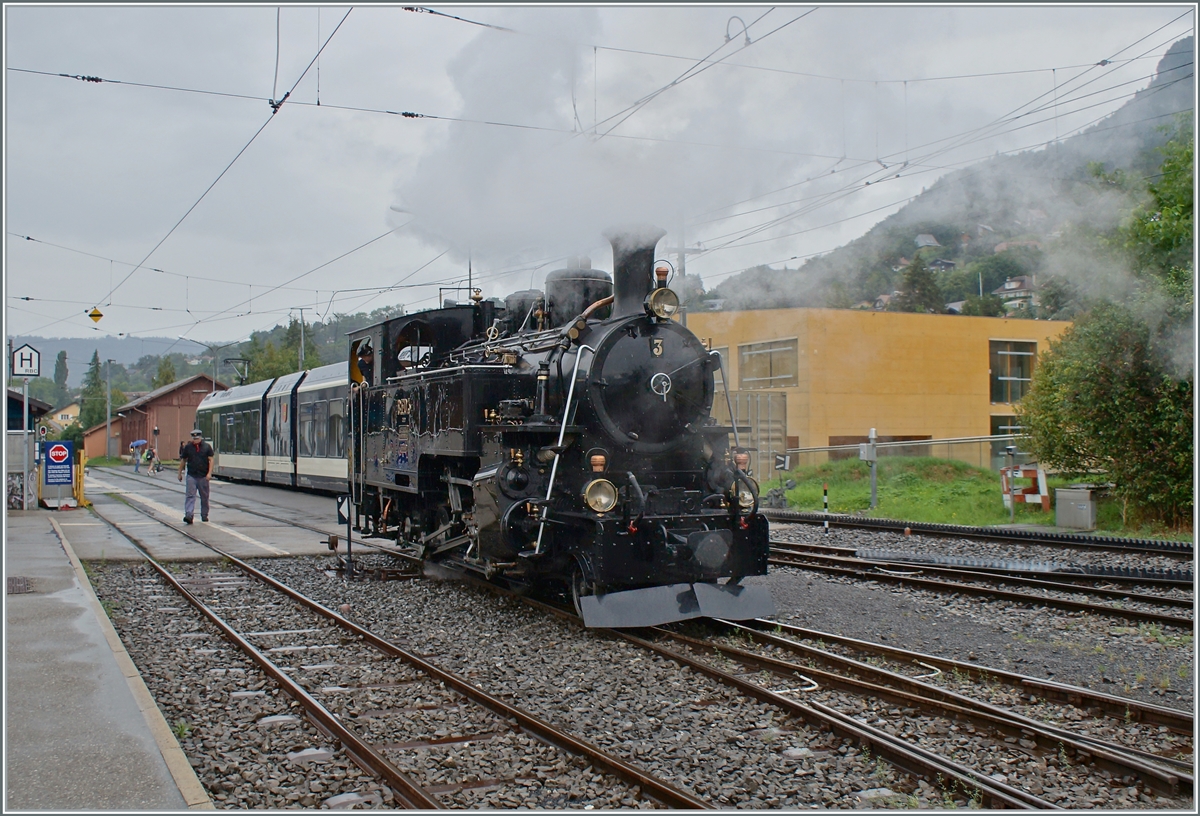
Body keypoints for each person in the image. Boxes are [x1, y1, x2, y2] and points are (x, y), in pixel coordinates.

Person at [178, 429, 214, 524]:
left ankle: (204, 514)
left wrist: (209, 473)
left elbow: (211, 460)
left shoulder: (207, 447)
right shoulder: (188, 447)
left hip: (203, 476)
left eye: (197, 438)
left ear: (200, 437)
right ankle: (189, 515)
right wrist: (179, 473)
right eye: (194, 438)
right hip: (192, 475)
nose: (196, 440)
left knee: (204, 497)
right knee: (190, 496)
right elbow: (183, 460)